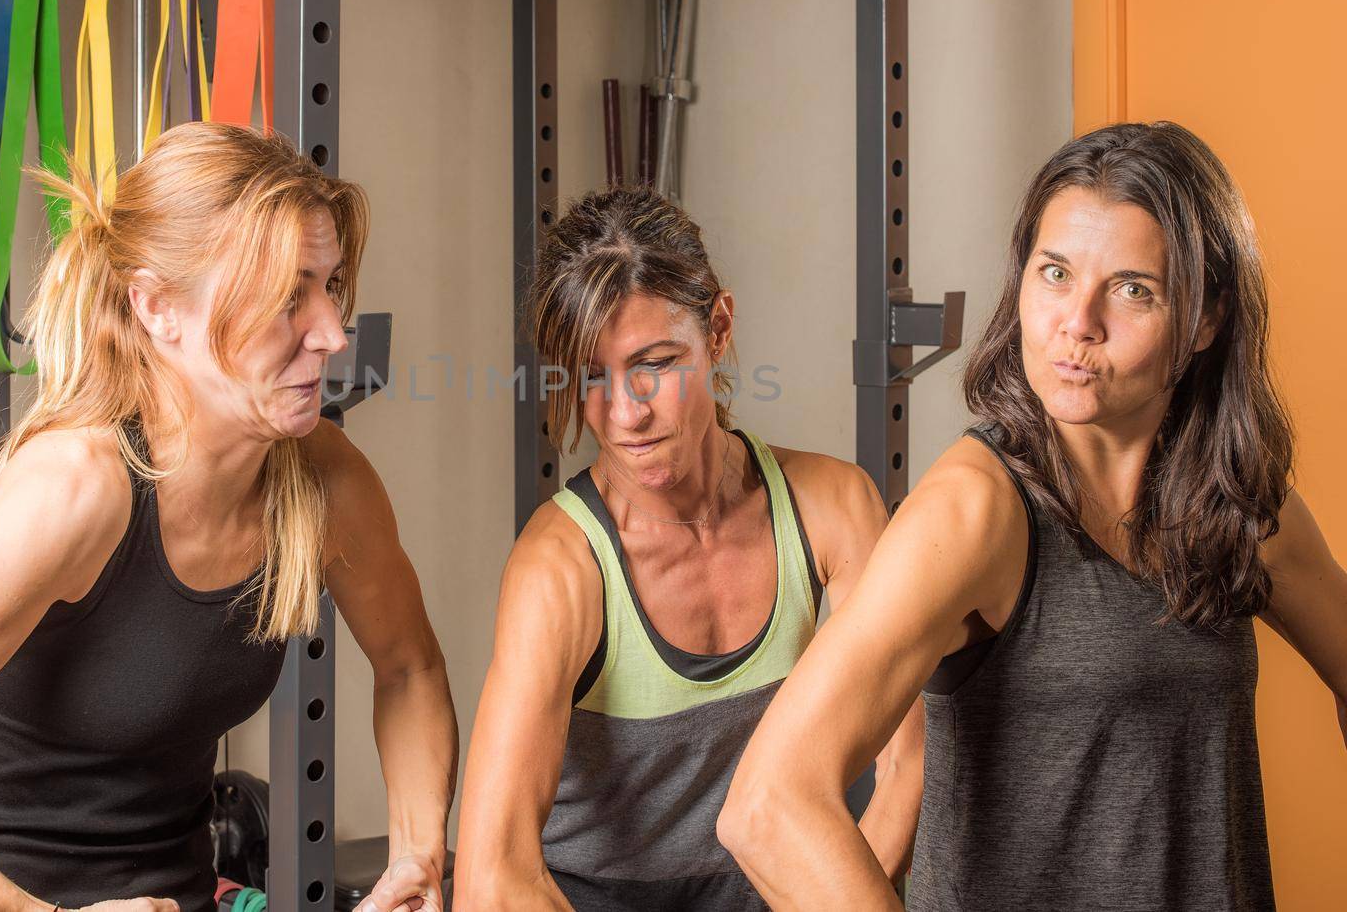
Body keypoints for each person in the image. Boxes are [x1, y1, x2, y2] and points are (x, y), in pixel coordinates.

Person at [0, 123, 458, 912]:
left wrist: (417, 857)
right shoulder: (76, 490)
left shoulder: (321, 477)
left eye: (330, 286)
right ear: (157, 308)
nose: (335, 335)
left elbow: (410, 669)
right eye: (286, 298)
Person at [721, 122, 1347, 911]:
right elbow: (770, 805)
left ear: (1206, 319)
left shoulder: (1235, 503)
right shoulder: (975, 511)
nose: (1077, 322)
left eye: (1131, 289)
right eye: (1055, 273)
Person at [454, 187, 924, 911]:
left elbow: (911, 763)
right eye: (590, 378)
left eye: (656, 362)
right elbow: (494, 880)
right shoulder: (559, 567)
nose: (626, 414)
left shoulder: (831, 506)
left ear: (721, 329)